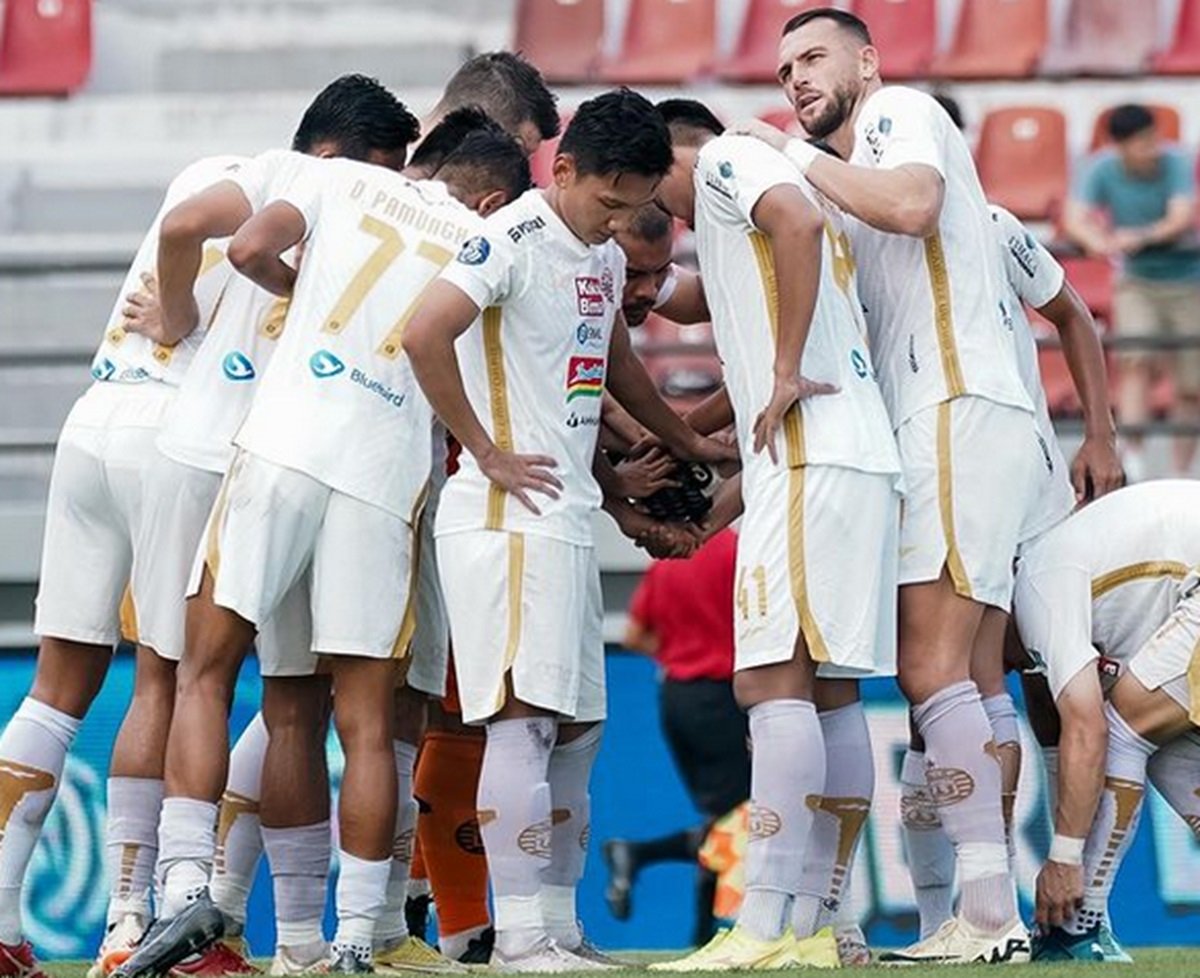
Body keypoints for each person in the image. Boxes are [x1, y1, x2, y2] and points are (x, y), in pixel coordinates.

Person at [113, 124, 530, 978]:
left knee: (207, 671)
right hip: (381, 479)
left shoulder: (333, 183)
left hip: (282, 450)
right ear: (491, 195)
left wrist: (300, 292)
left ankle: (189, 880)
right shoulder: (485, 238)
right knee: (364, 724)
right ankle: (348, 939)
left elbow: (252, 246)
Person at [739, 6, 1096, 962]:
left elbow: (912, 207)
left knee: (929, 669)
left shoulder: (896, 115)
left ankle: (983, 913)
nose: (795, 82)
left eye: (813, 58)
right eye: (781, 71)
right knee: (975, 677)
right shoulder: (860, 181)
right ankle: (979, 910)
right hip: (972, 418)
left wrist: (785, 153)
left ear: (868, 60)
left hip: (951, 407)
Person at [84, 76, 420, 978]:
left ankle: (255, 932)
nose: (381, 187)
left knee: (235, 688)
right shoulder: (280, 178)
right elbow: (197, 228)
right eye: (377, 169)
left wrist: (186, 327)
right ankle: (151, 919)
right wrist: (183, 317)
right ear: (332, 155)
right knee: (219, 686)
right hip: (225, 458)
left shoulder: (313, 197)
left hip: (258, 459)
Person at [403, 88, 736, 971]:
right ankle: (515, 938)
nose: (620, 221)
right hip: (506, 518)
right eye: (611, 201)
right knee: (522, 724)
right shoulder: (507, 237)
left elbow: (613, 367)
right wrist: (485, 451)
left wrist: (688, 441)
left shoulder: (593, 254)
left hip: (568, 521)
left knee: (578, 731)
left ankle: (555, 925)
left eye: (637, 209)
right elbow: (425, 331)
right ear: (569, 168)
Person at [649, 97, 901, 972]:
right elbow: (685, 302)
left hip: (813, 453)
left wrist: (786, 369)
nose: (663, 216)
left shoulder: (728, 164)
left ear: (675, 153)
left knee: (768, 680)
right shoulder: (737, 239)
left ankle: (762, 926)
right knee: (827, 692)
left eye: (654, 191)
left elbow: (789, 219)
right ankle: (825, 924)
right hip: (846, 457)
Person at [0, 137, 257, 978]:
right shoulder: (293, 196)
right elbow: (198, 234)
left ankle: (1, 920)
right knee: (166, 677)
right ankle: (129, 925)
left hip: (96, 416)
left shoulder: (207, 164)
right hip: (169, 437)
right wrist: (185, 315)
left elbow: (181, 226)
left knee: (55, 685)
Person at [900, 201, 1123, 943]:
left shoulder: (991, 225)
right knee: (944, 694)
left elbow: (1072, 314)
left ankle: (1079, 913)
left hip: (1024, 483)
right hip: (937, 469)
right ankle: (950, 912)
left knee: (1049, 692)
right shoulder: (865, 234)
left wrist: (1099, 433)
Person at [1010, 480, 1200, 962]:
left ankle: (1077, 928)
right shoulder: (1054, 579)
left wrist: (1064, 859)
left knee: (1122, 734)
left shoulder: (1036, 589)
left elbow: (1089, 731)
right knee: (1152, 741)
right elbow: (1063, 734)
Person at [606, 528, 747, 947]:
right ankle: (641, 859)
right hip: (723, 695)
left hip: (677, 697)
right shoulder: (737, 550)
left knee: (725, 819)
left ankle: (700, 934)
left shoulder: (668, 557)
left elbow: (633, 634)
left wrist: (677, 656)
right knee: (737, 821)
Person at [1063, 104, 1200, 482]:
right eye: (1142, 143)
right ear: (1120, 146)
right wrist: (1099, 241)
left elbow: (1181, 216)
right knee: (1134, 363)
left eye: (1153, 139)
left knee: (1192, 381)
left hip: (1189, 280)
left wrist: (1137, 237)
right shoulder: (1101, 168)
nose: (1151, 148)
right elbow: (1075, 218)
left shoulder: (1174, 161)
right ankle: (1133, 457)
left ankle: (1182, 470)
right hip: (1137, 282)